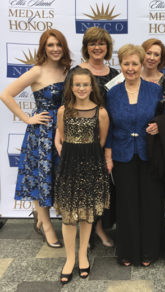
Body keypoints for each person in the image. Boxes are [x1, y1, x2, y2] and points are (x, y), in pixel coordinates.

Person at [0, 29, 71, 248]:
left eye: (58, 44)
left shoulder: (67, 69)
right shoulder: (37, 72)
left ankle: (42, 218)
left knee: (60, 178)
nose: (55, 49)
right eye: (50, 45)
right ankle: (46, 225)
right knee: (42, 178)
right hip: (42, 134)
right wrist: (27, 118)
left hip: (65, 130)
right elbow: (6, 94)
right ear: (43, 48)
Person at [56, 26, 118, 248]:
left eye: (101, 43)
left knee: (98, 190)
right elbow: (66, 107)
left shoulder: (115, 75)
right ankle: (82, 240)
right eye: (92, 43)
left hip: (102, 138)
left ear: (107, 48)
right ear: (86, 47)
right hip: (76, 143)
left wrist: (105, 149)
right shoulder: (76, 72)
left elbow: (114, 111)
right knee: (77, 190)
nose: (97, 47)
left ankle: (98, 229)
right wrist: (59, 138)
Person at [105, 44, 165, 267]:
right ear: (120, 65)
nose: (131, 68)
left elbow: (164, 118)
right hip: (122, 155)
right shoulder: (112, 93)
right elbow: (108, 126)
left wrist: (159, 126)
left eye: (135, 64)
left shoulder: (155, 90)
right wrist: (108, 155)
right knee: (126, 204)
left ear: (142, 65)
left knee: (150, 203)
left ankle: (150, 251)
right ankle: (127, 252)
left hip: (149, 154)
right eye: (126, 64)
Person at [54, 67, 110, 284]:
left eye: (85, 84)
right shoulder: (63, 111)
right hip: (69, 166)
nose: (81, 88)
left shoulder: (101, 112)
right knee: (68, 215)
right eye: (77, 84)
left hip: (92, 166)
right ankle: (69, 259)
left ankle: (83, 255)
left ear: (91, 86)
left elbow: (102, 141)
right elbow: (64, 137)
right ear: (71, 87)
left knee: (86, 214)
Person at [141, 38, 165, 116]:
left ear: (160, 59)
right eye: (148, 53)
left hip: (155, 125)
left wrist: (157, 96)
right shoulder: (133, 77)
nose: (152, 58)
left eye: (156, 55)